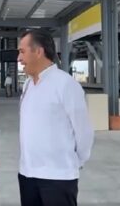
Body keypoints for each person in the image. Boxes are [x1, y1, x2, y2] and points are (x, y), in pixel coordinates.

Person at [17, 29, 94, 206]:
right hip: (27, 175)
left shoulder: (66, 84)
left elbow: (83, 131)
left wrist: (75, 162)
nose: (19, 59)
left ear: (38, 51)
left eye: (22, 52)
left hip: (58, 178)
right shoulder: (28, 85)